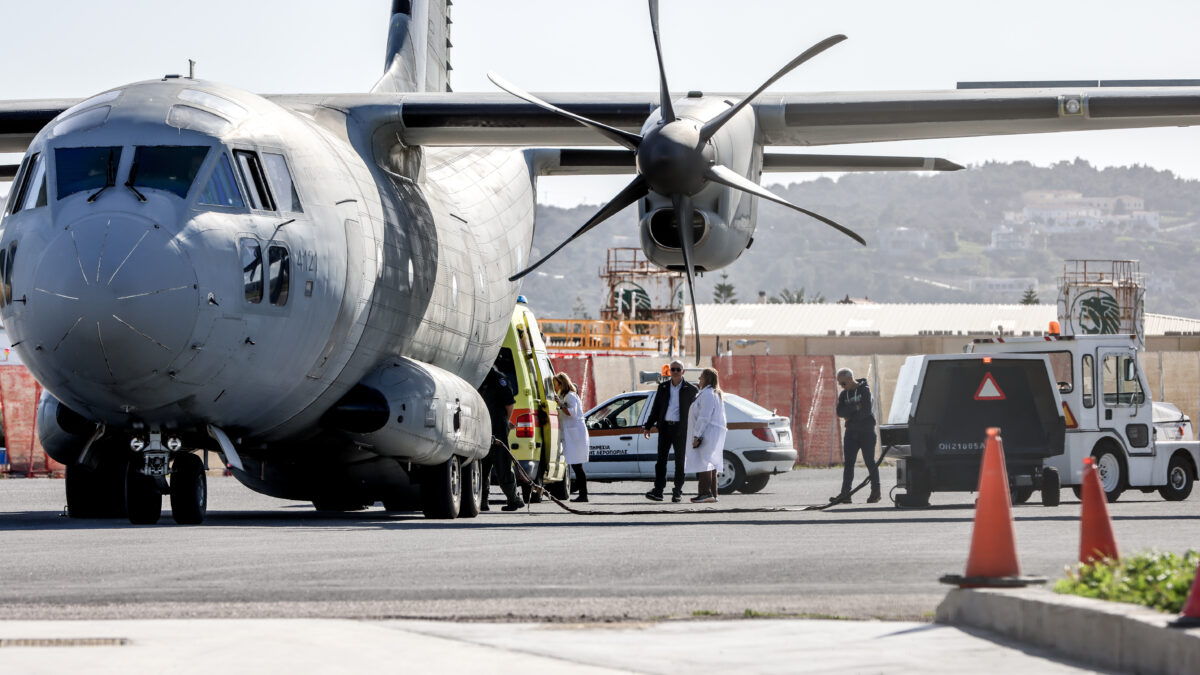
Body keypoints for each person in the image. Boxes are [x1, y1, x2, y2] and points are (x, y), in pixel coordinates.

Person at [642, 360, 697, 502]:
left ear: (683, 371)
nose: (675, 372)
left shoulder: (691, 389)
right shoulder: (663, 387)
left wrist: (696, 432)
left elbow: (697, 413)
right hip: (665, 427)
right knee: (661, 461)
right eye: (673, 369)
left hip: (681, 430)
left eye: (678, 369)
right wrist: (648, 426)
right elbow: (656, 408)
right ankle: (658, 490)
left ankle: (677, 491)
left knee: (680, 462)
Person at [831, 368, 881, 504]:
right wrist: (854, 408)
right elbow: (840, 412)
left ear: (850, 380)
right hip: (851, 433)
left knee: (870, 461)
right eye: (840, 384)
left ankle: (876, 492)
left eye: (843, 383)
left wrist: (850, 417)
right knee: (849, 464)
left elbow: (866, 411)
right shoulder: (843, 395)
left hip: (867, 432)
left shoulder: (865, 390)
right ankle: (845, 494)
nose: (842, 386)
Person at [478, 365, 523, 511]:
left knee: (502, 464)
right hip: (482, 427)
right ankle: (482, 501)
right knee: (482, 466)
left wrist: (504, 422)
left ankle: (513, 499)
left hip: (497, 427)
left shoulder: (498, 379)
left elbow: (509, 405)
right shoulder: (478, 376)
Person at [686, 367, 727, 503]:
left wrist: (697, 436)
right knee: (710, 462)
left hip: (707, 433)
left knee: (704, 462)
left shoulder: (709, 394)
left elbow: (704, 417)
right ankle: (712, 494)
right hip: (710, 432)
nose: (699, 379)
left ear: (707, 378)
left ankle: (705, 493)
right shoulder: (709, 393)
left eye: (701, 376)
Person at [553, 372, 590, 502]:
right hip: (573, 434)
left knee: (577, 466)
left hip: (576, 434)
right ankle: (582, 493)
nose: (555, 387)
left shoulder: (570, 396)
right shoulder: (566, 395)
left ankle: (583, 494)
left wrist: (560, 404)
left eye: (556, 384)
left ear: (561, 383)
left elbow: (571, 413)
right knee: (576, 465)